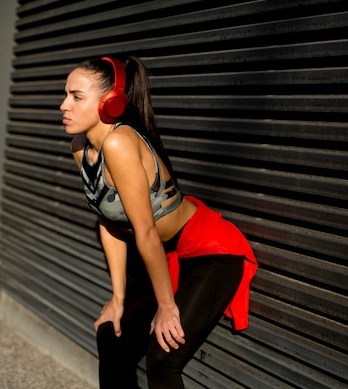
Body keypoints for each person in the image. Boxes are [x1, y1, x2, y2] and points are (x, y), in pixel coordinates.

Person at [60, 55, 258, 389]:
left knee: (163, 358)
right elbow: (108, 222)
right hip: (166, 254)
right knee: (112, 336)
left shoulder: (120, 143)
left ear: (110, 102)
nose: (64, 105)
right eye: (65, 94)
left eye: (76, 96)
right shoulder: (81, 147)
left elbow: (146, 230)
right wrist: (118, 298)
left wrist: (167, 307)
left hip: (210, 251)